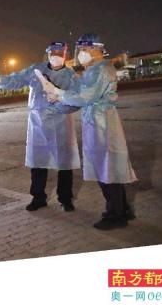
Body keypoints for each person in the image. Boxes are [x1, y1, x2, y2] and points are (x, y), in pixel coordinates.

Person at [35, 33, 137, 230]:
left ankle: (116, 215)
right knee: (108, 168)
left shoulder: (101, 70)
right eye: (80, 49)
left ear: (96, 49)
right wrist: (58, 102)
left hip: (103, 124)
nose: (81, 53)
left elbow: (85, 96)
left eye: (84, 49)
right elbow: (77, 96)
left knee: (106, 169)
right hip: (97, 121)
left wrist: (58, 93)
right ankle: (123, 209)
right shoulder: (93, 70)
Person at [0, 41, 80, 212]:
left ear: (66, 54)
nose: (56, 56)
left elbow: (76, 101)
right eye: (52, 52)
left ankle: (65, 198)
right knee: (38, 162)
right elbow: (16, 80)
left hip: (61, 123)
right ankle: (38, 197)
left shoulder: (71, 76)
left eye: (60, 53)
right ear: (47, 54)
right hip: (38, 123)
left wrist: (59, 104)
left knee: (64, 163)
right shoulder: (36, 69)